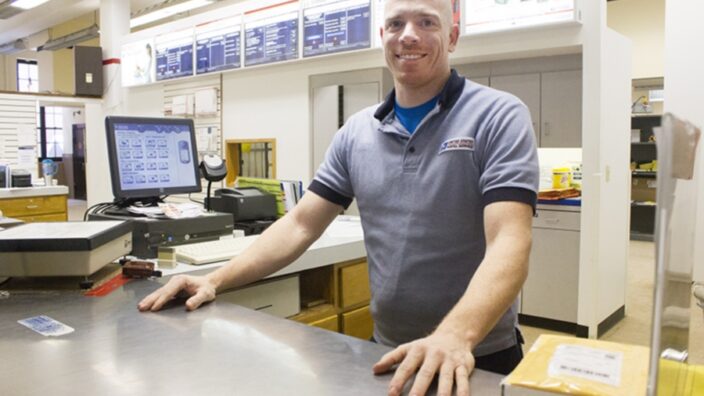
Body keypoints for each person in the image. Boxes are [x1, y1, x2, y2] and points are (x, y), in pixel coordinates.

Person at [138, 0, 539, 394]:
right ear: (383, 37)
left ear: (452, 37)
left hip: (474, 354)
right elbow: (300, 224)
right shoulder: (356, 133)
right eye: (396, 23)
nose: (409, 35)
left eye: (427, 22)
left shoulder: (498, 116)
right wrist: (213, 279)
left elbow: (509, 240)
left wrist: (454, 336)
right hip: (387, 350)